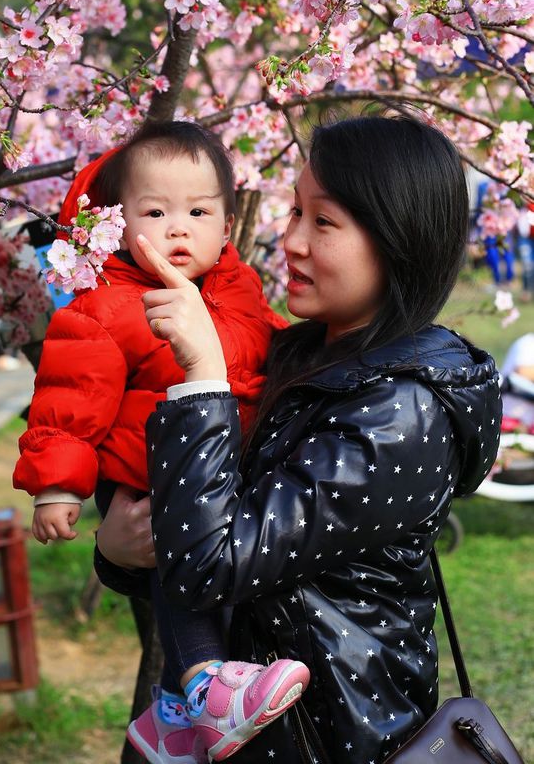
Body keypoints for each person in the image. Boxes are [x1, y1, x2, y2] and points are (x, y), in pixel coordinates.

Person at [96, 114, 502, 764]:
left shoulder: (402, 413)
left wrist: (203, 376)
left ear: (396, 239)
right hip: (246, 729)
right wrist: (116, 550)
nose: (290, 241)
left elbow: (214, 564)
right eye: (293, 212)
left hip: (326, 735)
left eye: (323, 222)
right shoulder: (295, 353)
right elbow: (202, 520)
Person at [13, 120, 309, 764]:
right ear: (118, 223)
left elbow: (269, 346)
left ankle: (174, 717)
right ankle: (203, 685)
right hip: (148, 478)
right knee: (184, 578)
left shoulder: (239, 288)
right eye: (155, 212)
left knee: (215, 581)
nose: (178, 229)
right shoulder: (108, 305)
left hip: (224, 474)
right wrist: (56, 486)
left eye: (197, 212)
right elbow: (70, 396)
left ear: (227, 227)